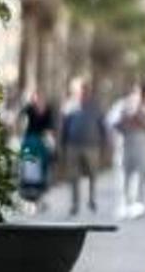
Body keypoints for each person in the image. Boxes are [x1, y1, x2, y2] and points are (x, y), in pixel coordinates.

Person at [60, 77, 108, 216]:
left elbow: (102, 126)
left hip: (92, 146)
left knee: (92, 174)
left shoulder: (96, 106)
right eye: (80, 89)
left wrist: (104, 145)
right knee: (73, 176)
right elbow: (64, 128)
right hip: (73, 146)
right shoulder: (69, 106)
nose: (83, 91)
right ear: (74, 91)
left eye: (85, 89)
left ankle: (91, 199)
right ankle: (74, 204)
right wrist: (62, 145)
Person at [109, 84, 145, 220]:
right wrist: (127, 120)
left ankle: (136, 204)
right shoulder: (122, 105)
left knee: (139, 175)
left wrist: (140, 121)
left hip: (140, 145)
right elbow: (112, 122)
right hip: (124, 144)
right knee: (123, 175)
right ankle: (123, 205)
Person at [17, 90, 56, 205]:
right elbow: (20, 118)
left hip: (41, 141)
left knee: (43, 165)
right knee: (28, 164)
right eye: (36, 97)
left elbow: (50, 127)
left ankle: (39, 194)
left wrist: (51, 136)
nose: (38, 100)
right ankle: (27, 194)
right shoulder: (28, 108)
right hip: (29, 140)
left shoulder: (48, 110)